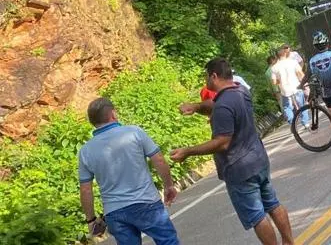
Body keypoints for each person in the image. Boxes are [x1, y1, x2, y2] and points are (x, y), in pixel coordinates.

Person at [171, 59, 294, 245]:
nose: (205, 79)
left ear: (214, 75)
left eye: (206, 75)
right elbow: (215, 105)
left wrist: (188, 151)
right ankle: (289, 242)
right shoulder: (240, 91)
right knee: (272, 203)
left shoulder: (223, 106)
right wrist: (196, 107)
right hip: (258, 159)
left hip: (239, 168)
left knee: (257, 216)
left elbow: (222, 143)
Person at [78, 98, 179, 245]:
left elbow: (86, 190)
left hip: (114, 212)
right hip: (146, 203)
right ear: (113, 114)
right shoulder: (134, 132)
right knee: (167, 241)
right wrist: (169, 185)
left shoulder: (85, 151)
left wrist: (91, 219)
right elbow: (159, 160)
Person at [271, 46, 310, 130]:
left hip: (285, 91)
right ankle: (306, 122)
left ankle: (293, 124)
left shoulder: (274, 68)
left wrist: (279, 81)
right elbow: (300, 73)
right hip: (296, 87)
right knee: (302, 105)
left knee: (287, 108)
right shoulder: (293, 62)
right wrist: (304, 82)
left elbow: (274, 82)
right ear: (285, 53)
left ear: (277, 56)